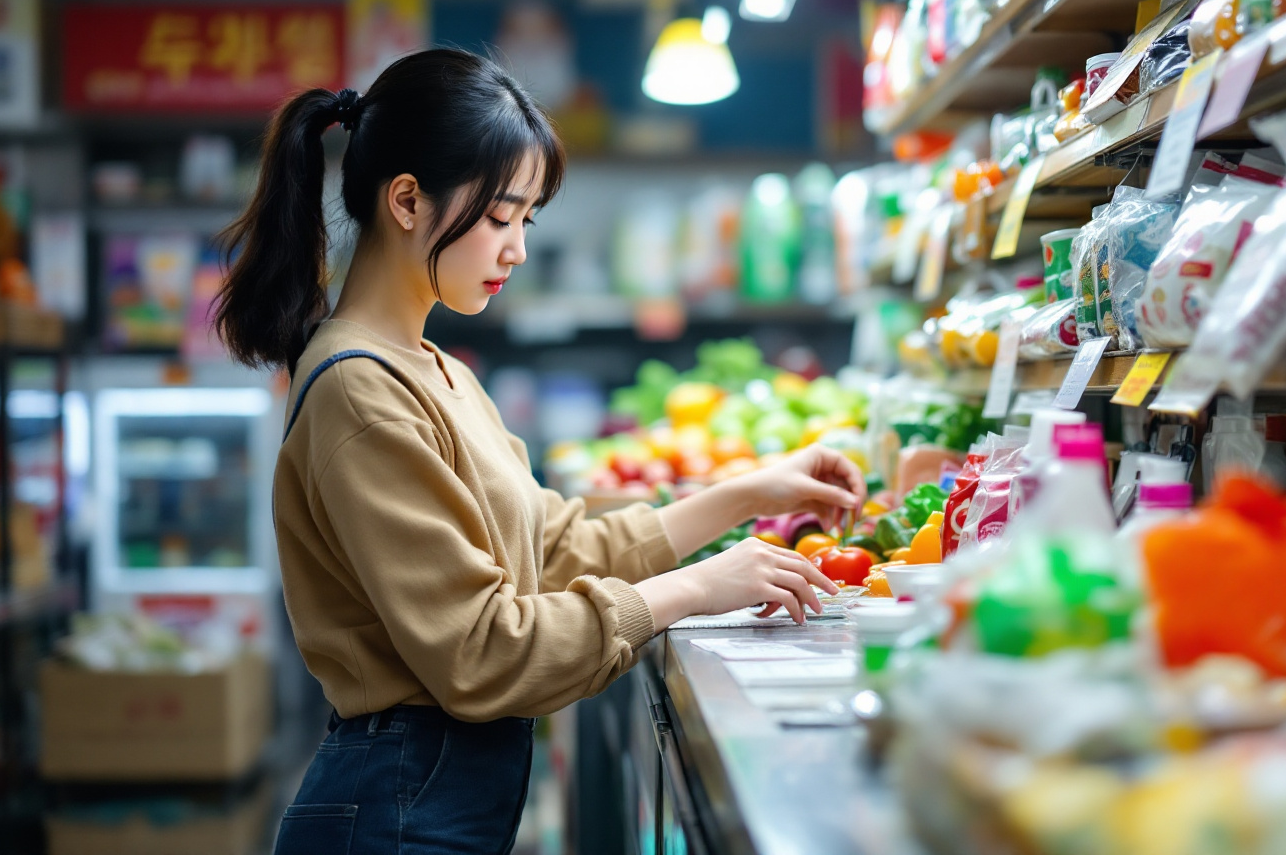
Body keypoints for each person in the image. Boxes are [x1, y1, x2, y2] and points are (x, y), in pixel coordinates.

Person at [215, 48, 864, 855]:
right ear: (408, 201)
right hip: (391, 810)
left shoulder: (438, 371)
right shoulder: (361, 391)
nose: (516, 248)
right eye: (499, 217)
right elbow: (482, 651)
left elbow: (553, 546)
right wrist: (693, 589)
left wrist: (748, 492)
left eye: (527, 220)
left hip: (428, 799)